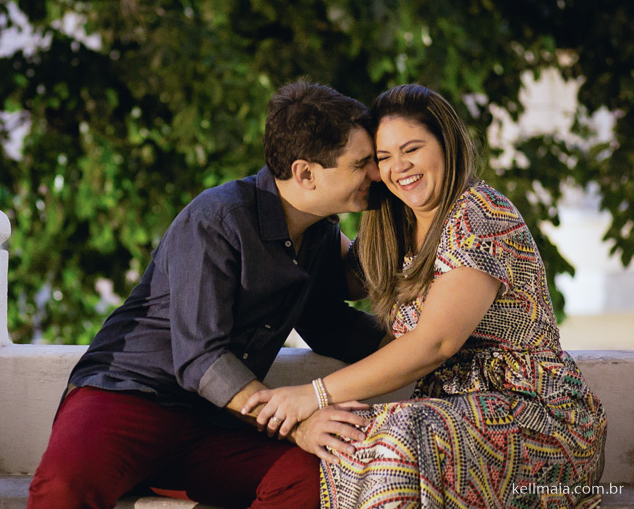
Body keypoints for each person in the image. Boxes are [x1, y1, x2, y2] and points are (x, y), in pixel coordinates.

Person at [26, 81, 388, 509]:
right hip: (128, 396)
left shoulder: (318, 234)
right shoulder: (219, 218)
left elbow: (329, 325)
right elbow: (201, 358)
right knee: (64, 489)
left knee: (309, 480)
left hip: (209, 423)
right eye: (363, 163)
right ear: (305, 173)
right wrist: (296, 427)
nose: (377, 174)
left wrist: (419, 345)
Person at [246, 84, 607, 508]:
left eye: (412, 149)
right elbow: (326, 275)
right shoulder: (394, 226)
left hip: (538, 420)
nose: (399, 167)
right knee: (353, 435)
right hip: (449, 420)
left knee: (395, 434)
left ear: (446, 143)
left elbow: (434, 344)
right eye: (383, 158)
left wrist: (314, 394)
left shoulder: (478, 214)